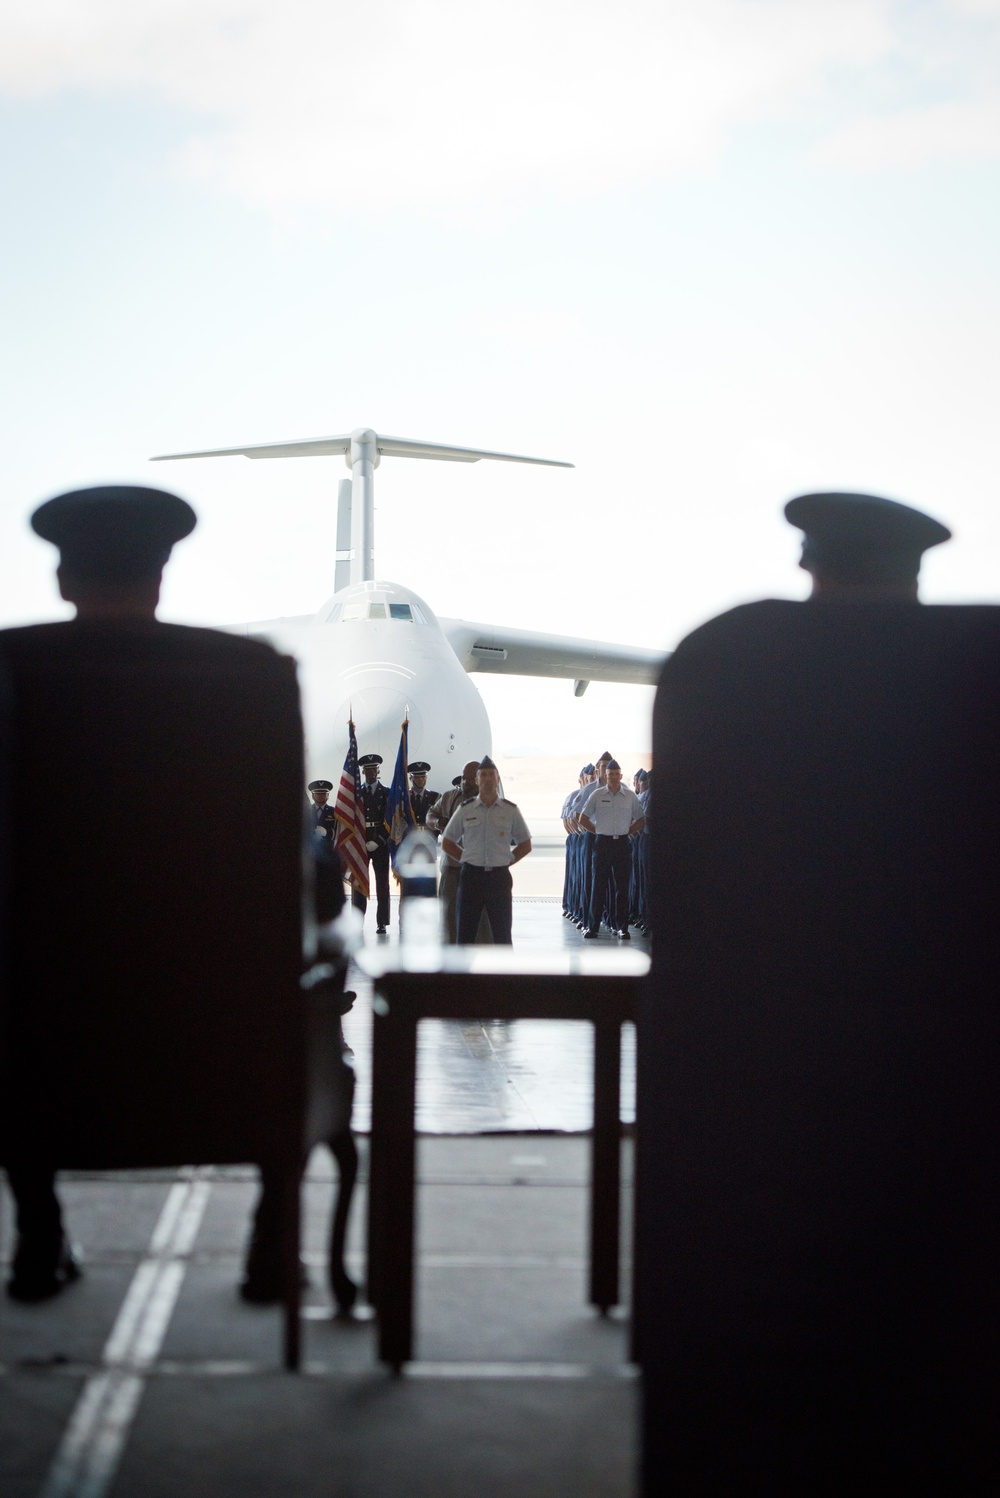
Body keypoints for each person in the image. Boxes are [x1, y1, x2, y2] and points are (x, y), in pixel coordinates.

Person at [640, 491, 1000, 1490]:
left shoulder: (720, 660)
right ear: (913, 573)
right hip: (953, 1099)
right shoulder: (981, 664)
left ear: (809, 562)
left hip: (737, 1090)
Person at [0, 486, 356, 1309]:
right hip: (218, 1039)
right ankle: (271, 1247)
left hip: (39, 1037)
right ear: (162, 577)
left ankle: (39, 1232)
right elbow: (306, 872)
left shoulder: (11, 667)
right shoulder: (250, 678)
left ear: (62, 580)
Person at [441, 756, 531, 945]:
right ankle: (462, 974)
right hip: (471, 878)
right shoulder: (466, 809)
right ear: (477, 780)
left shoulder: (510, 810)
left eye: (491, 775)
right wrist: (465, 858)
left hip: (499, 879)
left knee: (502, 935)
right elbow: (447, 842)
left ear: (497, 779)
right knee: (464, 934)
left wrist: (508, 860)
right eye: (483, 775)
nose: (488, 779)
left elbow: (525, 844)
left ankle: (503, 974)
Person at [579, 759, 645, 938]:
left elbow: (641, 818)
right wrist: (597, 831)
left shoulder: (630, 796)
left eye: (617, 774)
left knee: (622, 888)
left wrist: (629, 831)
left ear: (621, 776)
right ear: (605, 776)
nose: (614, 777)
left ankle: (622, 927)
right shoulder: (597, 795)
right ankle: (592, 927)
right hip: (602, 844)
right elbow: (582, 818)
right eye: (610, 775)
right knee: (598, 886)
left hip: (622, 844)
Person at [428, 760, 480, 943]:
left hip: (478, 870)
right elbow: (430, 815)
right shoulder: (450, 797)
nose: (465, 783)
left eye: (470, 779)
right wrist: (437, 823)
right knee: (448, 915)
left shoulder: (489, 800)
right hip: (452, 867)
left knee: (478, 920)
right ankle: (449, 957)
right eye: (464, 778)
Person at [351, 753, 390, 934]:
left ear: (378, 770)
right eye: (367, 769)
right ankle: (357, 922)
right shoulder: (356, 793)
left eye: (374, 768)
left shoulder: (387, 793)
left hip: (380, 843)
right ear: (363, 771)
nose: (371, 772)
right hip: (361, 840)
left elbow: (390, 820)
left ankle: (381, 922)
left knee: (382, 884)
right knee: (358, 883)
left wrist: (379, 840)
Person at [407, 761, 440, 831]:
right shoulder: (405, 797)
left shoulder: (435, 797)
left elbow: (439, 819)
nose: (420, 779)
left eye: (423, 776)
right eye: (416, 777)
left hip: (429, 837)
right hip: (409, 836)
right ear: (410, 779)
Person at [308, 779, 337, 844]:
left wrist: (326, 832)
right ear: (312, 796)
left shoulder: (334, 812)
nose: (321, 796)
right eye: (317, 794)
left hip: (327, 849)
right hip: (309, 849)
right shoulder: (306, 812)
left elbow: (338, 831)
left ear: (328, 796)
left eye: (324, 794)